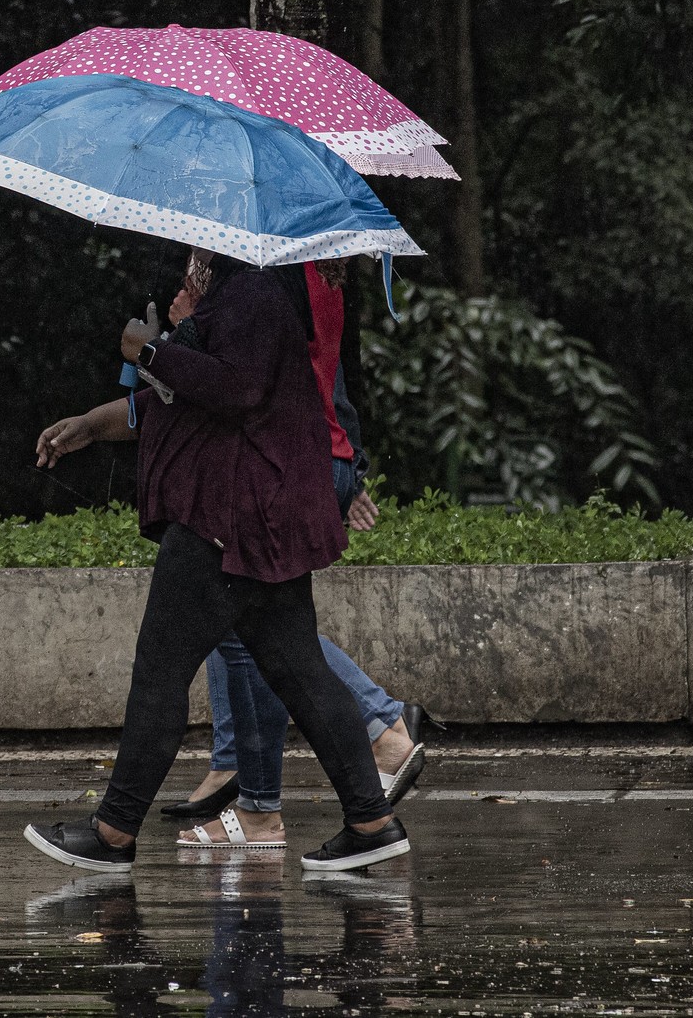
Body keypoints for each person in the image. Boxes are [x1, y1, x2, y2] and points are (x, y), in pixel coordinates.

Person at [22, 249, 411, 874]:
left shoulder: (254, 295)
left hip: (229, 517)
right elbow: (196, 394)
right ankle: (371, 821)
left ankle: (113, 831)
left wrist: (150, 351)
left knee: (160, 670)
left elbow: (237, 389)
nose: (190, 254)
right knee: (301, 671)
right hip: (254, 514)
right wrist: (103, 419)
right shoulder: (239, 294)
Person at [163, 260, 426, 849]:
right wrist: (350, 466)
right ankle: (252, 790)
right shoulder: (316, 263)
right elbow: (334, 374)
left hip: (283, 462)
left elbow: (242, 380)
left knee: (258, 630)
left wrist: (181, 333)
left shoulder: (265, 272)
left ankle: (378, 730)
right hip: (315, 456)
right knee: (249, 630)